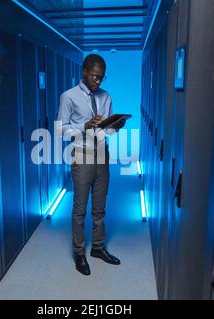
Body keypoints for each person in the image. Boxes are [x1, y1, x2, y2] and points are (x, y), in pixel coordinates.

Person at [57, 54, 126, 276]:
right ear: (84, 72)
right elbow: (60, 129)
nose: (98, 81)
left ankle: (97, 248)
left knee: (99, 207)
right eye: (95, 76)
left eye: (102, 78)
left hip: (102, 155)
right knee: (79, 210)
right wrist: (84, 126)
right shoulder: (68, 96)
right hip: (82, 154)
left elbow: (106, 130)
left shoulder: (106, 96)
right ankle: (79, 253)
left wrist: (116, 126)